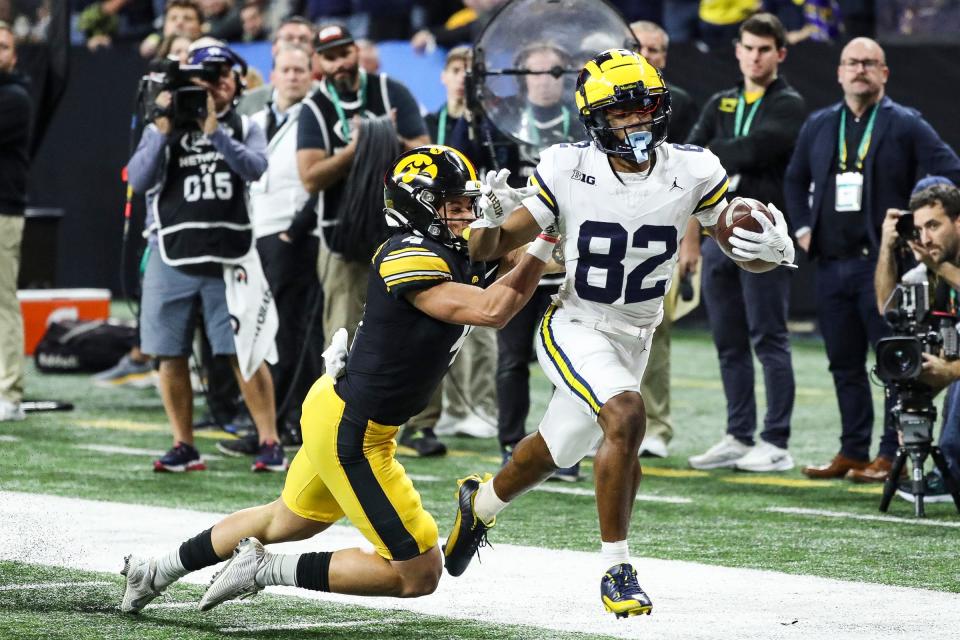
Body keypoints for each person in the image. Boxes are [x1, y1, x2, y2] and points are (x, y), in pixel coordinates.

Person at [119, 145, 560, 614]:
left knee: (285, 519)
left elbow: (511, 260)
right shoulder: (405, 255)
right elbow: (495, 308)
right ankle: (265, 569)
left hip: (343, 410)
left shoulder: (447, 245)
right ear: (418, 207)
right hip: (355, 431)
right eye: (454, 206)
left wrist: (529, 221)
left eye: (469, 206)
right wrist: (544, 235)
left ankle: (156, 570)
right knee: (419, 572)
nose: (466, 216)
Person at [442, 49, 796, 618]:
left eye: (642, 108)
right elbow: (487, 248)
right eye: (618, 113)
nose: (632, 122)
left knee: (556, 450)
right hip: (576, 321)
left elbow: (738, 246)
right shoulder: (564, 166)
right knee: (627, 414)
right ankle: (617, 567)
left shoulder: (695, 167)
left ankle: (477, 505)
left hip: (637, 332)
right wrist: (485, 216)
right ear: (594, 120)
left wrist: (770, 253)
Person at [785, 37, 960, 483]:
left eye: (869, 63)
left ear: (885, 73)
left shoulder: (905, 123)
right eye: (851, 63)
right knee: (842, 363)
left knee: (891, 360)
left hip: (879, 264)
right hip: (829, 263)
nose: (859, 69)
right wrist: (803, 229)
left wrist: (917, 221)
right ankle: (852, 450)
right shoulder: (821, 124)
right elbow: (794, 179)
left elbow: (948, 171)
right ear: (839, 72)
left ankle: (888, 453)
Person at [126, 38, 284, 473]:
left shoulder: (246, 124)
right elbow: (138, 180)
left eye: (222, 77)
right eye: (204, 78)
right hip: (170, 252)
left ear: (236, 82)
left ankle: (269, 440)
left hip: (229, 255)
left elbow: (255, 168)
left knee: (243, 351)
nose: (214, 87)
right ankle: (183, 444)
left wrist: (215, 132)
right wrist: (162, 127)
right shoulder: (163, 125)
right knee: (167, 351)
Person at [686, 13, 804, 472]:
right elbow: (690, 158)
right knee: (728, 340)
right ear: (737, 50)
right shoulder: (722, 100)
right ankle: (738, 435)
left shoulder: (788, 103)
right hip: (719, 237)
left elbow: (755, 149)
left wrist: (714, 152)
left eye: (764, 49)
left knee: (769, 337)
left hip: (765, 239)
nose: (755, 57)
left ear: (780, 53)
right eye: (748, 48)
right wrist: (692, 240)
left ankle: (775, 442)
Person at [297, 23, 430, 350]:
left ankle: (424, 405)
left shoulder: (392, 91)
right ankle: (342, 403)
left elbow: (426, 156)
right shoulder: (314, 108)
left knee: (413, 331)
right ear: (319, 63)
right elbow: (310, 178)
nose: (339, 63)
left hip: (400, 233)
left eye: (344, 53)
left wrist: (389, 138)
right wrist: (355, 150)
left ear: (356, 51)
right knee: (344, 335)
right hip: (342, 239)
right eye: (330, 58)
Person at [218, 44, 322, 458]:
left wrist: (296, 228)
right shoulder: (254, 120)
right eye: (286, 69)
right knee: (260, 328)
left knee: (294, 328)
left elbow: (321, 183)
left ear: (311, 77)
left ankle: (295, 417)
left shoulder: (316, 119)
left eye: (301, 69)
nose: (294, 76)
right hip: (252, 232)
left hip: (294, 232)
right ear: (273, 75)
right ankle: (267, 420)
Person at [628, 19, 701, 457]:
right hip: (607, 228)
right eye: (640, 47)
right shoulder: (598, 104)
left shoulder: (681, 104)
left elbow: (694, 179)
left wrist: (690, 241)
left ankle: (655, 425)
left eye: (656, 50)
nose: (649, 55)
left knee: (654, 330)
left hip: (661, 231)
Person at [874, 181, 960, 503]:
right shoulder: (930, 270)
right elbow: (887, 307)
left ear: (958, 221)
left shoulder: (938, 264)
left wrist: (952, 372)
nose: (925, 238)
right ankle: (925, 463)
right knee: (911, 366)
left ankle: (951, 471)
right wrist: (886, 247)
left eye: (934, 226)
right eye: (920, 228)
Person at [0, 21, 29, 422]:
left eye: (3, 46)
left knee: (2, 303)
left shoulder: (15, 98)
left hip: (2, 211)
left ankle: (9, 392)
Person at [237, 16, 315, 116]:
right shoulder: (249, 102)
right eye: (289, 38)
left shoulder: (327, 99)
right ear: (274, 48)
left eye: (303, 39)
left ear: (314, 49)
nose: (296, 43)